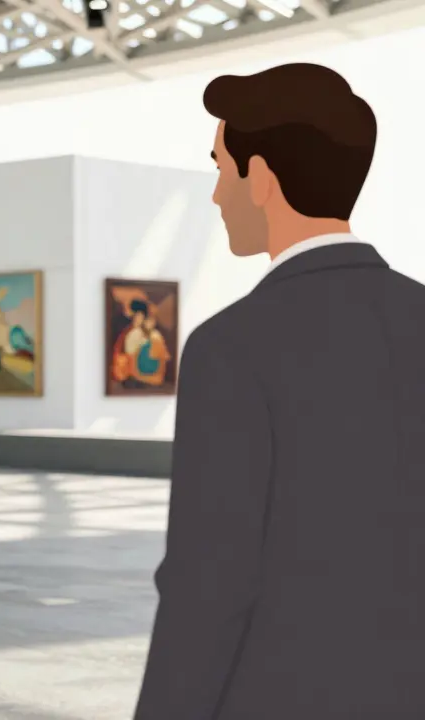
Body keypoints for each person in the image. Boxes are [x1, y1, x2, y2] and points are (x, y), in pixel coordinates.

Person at [134, 63, 425, 719]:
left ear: (260, 178)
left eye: (220, 167)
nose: (215, 195)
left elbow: (210, 588)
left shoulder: (231, 351)